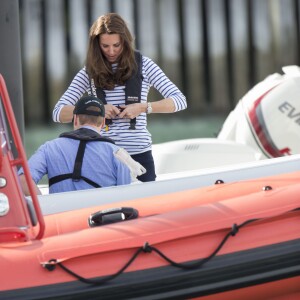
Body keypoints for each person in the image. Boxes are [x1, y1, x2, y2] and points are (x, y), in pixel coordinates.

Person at [52, 12, 187, 182]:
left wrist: (144, 107)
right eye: (105, 46)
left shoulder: (145, 65)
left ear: (125, 41)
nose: (111, 51)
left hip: (140, 157)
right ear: (96, 45)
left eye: (116, 45)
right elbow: (58, 113)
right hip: (102, 158)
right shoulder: (89, 72)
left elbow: (180, 100)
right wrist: (96, 110)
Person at [18, 96, 145, 195]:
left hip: (62, 223)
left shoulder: (49, 148)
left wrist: (46, 207)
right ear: (103, 123)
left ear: (76, 119)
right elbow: (128, 194)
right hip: (101, 222)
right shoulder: (117, 153)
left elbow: (23, 180)